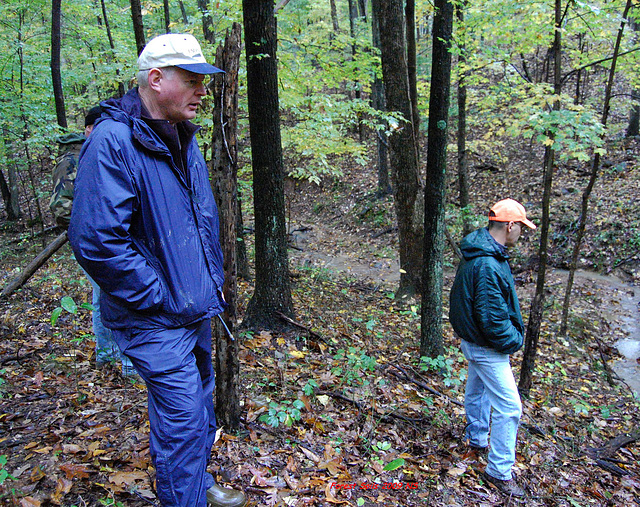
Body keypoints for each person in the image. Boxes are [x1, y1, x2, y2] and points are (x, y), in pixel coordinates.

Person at [68, 34, 246, 507]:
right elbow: (96, 241)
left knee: (196, 410)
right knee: (184, 416)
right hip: (154, 315)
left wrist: (210, 285)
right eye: (191, 81)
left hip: (194, 308)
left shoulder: (181, 137)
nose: (202, 93)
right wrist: (159, 294)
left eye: (202, 83)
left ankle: (194, 483)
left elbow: (202, 223)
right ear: (155, 79)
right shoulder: (113, 141)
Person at [449, 198, 536, 498]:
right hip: (485, 346)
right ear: (509, 226)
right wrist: (515, 339)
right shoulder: (486, 262)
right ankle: (498, 471)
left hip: (475, 343)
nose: (521, 234)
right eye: (521, 228)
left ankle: (476, 441)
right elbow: (491, 318)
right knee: (510, 407)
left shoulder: (485, 252)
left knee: (477, 391)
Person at [49, 107, 135, 376]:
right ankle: (125, 362)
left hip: (107, 240)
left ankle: (110, 357)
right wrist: (89, 230)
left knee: (107, 297)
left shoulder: (97, 153)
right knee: (116, 297)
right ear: (88, 129)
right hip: (95, 243)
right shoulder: (73, 160)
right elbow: (61, 207)